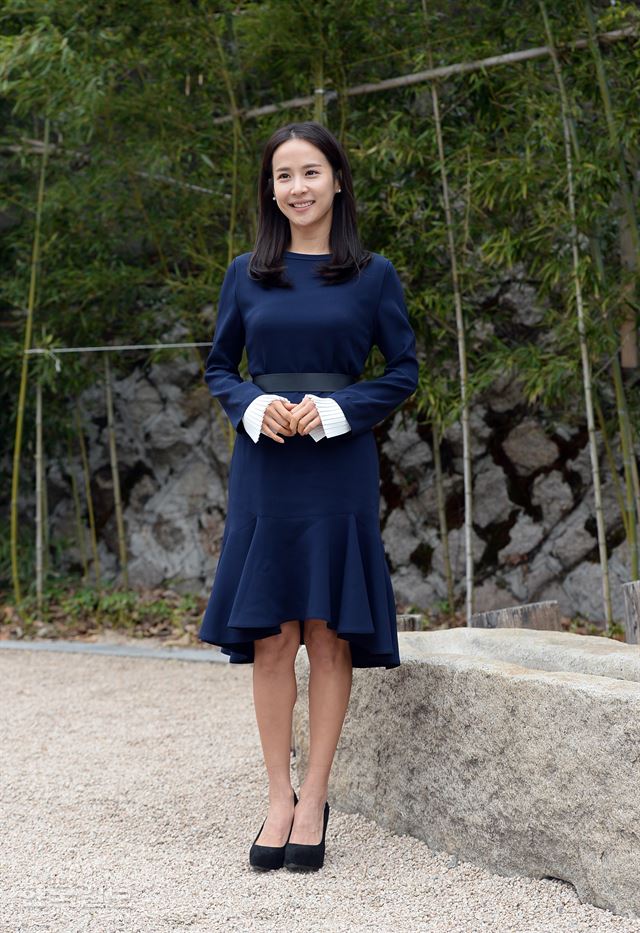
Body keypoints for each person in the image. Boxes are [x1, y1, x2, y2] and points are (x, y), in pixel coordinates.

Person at [198, 121, 419, 872]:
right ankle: (276, 796)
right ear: (271, 190)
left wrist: (336, 409)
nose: (296, 187)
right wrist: (254, 406)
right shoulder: (244, 273)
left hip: (338, 461)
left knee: (326, 631)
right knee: (271, 633)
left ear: (337, 181)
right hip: (265, 462)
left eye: (310, 172)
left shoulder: (374, 274)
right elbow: (220, 366)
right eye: (283, 175)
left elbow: (404, 370)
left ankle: (316, 792)